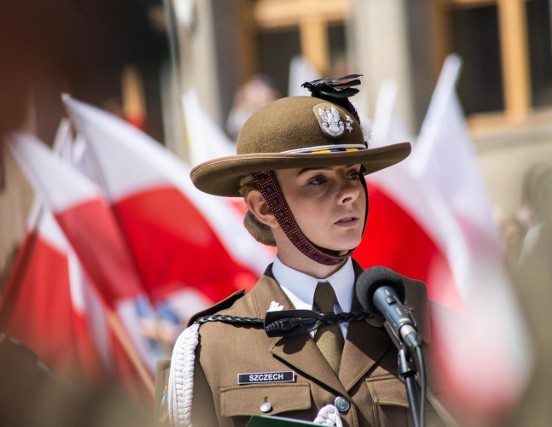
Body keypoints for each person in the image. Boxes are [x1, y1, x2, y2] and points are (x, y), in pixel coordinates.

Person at [164, 75, 444, 427]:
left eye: (354, 174)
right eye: (318, 180)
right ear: (265, 207)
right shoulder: (213, 347)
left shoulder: (422, 321)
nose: (349, 194)